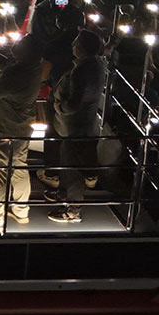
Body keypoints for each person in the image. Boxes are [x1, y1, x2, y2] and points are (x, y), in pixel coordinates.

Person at [0, 37, 46, 231]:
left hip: (6, 127)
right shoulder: (33, 68)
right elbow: (5, 64)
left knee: (0, 172)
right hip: (23, 126)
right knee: (19, 168)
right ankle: (21, 211)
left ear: (26, 52)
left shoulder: (15, 74)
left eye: (20, 45)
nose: (15, 45)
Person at [43, 29, 109, 223]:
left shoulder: (82, 70)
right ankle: (66, 195)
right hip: (85, 124)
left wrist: (57, 106)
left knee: (71, 168)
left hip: (74, 127)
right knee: (75, 163)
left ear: (82, 48)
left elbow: (73, 104)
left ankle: (73, 211)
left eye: (76, 43)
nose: (72, 45)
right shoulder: (97, 63)